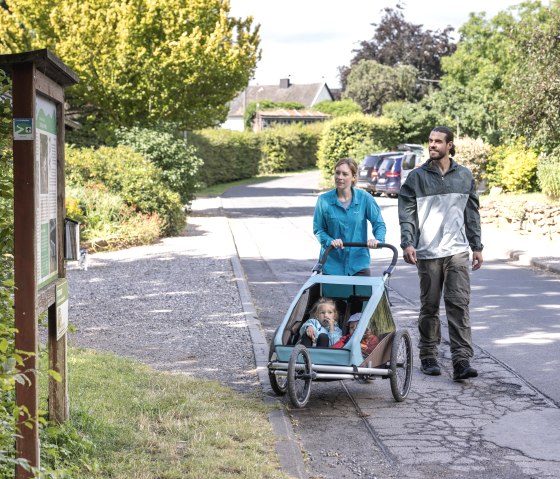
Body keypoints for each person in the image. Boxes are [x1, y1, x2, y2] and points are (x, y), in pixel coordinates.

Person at [398, 126, 483, 381]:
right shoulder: (416, 178)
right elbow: (407, 215)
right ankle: (428, 355)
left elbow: (472, 214)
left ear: (450, 145)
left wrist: (476, 246)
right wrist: (407, 243)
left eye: (438, 141)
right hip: (428, 252)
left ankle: (461, 361)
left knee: (458, 304)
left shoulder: (465, 176)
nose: (432, 145)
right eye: (430, 141)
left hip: (457, 250)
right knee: (430, 305)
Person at [313, 158, 386, 276]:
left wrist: (378, 240)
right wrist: (330, 241)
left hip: (358, 264)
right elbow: (318, 229)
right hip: (332, 264)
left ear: (353, 177)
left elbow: (379, 223)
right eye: (337, 173)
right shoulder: (324, 200)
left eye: (345, 174)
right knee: (324, 294)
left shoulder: (365, 198)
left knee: (364, 294)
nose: (340, 177)